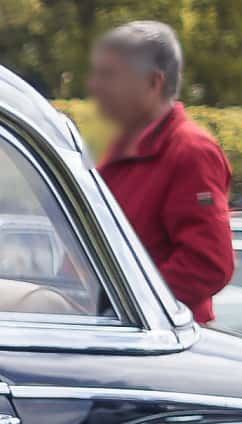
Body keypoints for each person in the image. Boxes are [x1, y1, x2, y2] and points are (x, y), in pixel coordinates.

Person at [86, 18, 232, 321]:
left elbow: (208, 263)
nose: (94, 86)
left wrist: (128, 306)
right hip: (118, 333)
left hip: (157, 347)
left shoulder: (191, 151)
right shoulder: (122, 148)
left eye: (109, 76)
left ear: (153, 83)